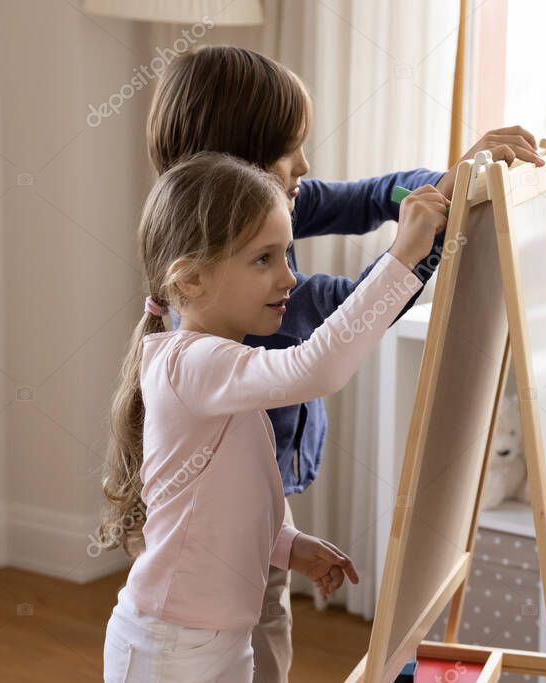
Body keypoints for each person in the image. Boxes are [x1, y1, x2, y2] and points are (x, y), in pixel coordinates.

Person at [100, 152, 449, 682]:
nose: (288, 278)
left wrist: (285, 544)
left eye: (286, 254)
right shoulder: (189, 361)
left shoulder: (218, 366)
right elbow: (319, 368)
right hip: (168, 647)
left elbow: (220, 500)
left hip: (215, 637)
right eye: (264, 260)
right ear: (191, 280)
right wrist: (401, 257)